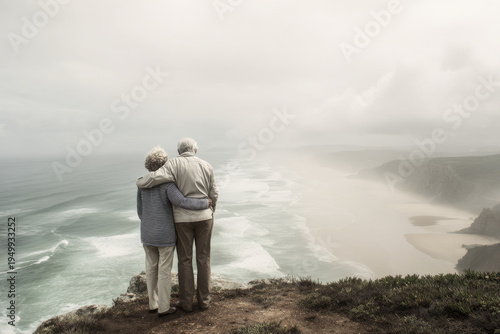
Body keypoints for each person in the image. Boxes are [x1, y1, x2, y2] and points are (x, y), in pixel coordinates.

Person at [137, 138, 218, 312]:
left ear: (179, 150)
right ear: (195, 150)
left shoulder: (171, 165)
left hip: (176, 222)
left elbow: (143, 205)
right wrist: (210, 207)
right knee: (203, 259)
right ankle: (204, 301)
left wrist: (140, 182)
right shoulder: (206, 165)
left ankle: (183, 303)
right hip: (202, 218)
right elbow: (212, 193)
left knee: (183, 260)